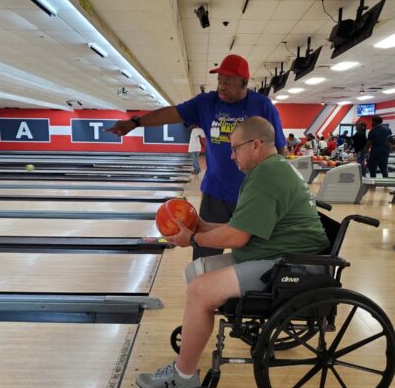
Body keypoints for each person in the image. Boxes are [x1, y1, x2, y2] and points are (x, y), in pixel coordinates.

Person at [135, 116, 329, 388]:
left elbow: (237, 238)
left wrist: (192, 238)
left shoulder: (267, 175)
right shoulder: (268, 170)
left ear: (256, 145)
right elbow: (242, 228)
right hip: (275, 253)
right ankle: (194, 343)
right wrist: (202, 226)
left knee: (200, 290)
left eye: (235, 148)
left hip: (292, 265)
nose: (231, 155)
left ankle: (183, 376)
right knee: (197, 271)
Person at [105, 54, 286, 259]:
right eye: (219, 81)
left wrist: (277, 191)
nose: (221, 86)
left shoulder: (263, 106)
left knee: (250, 257)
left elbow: (279, 148)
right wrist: (135, 122)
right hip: (215, 194)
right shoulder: (206, 103)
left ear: (244, 83)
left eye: (228, 81)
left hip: (252, 196)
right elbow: (171, 113)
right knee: (204, 256)